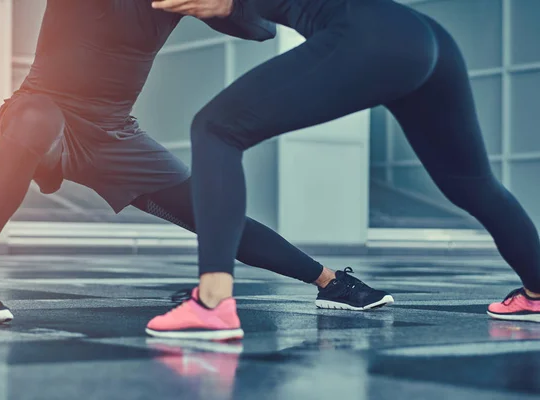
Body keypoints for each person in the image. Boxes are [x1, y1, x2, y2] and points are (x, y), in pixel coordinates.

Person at [0, 0, 393, 326]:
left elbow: (262, 28)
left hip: (114, 135)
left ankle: (331, 283)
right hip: (43, 108)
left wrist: (224, 7)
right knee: (38, 122)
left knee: (210, 210)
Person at [146, 0, 540, 340]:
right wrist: (233, 8)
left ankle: (212, 304)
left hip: (367, 35)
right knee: (474, 185)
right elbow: (262, 26)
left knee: (216, 128)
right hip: (423, 36)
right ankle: (537, 292)